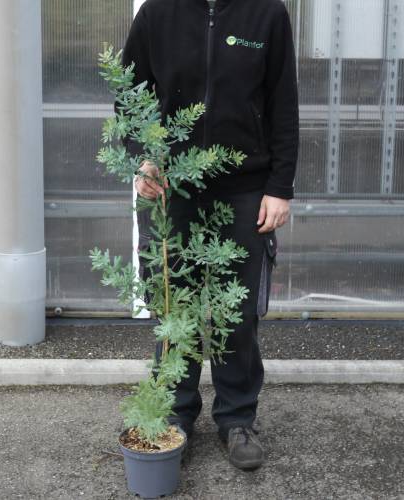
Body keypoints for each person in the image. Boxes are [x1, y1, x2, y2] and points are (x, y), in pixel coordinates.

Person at [117, 0, 299, 470]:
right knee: (173, 306)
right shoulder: (158, 13)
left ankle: (237, 418)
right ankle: (175, 415)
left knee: (235, 311)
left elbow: (283, 102)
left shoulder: (267, 14)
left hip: (244, 189)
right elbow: (129, 95)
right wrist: (142, 156)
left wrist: (279, 188)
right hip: (171, 187)